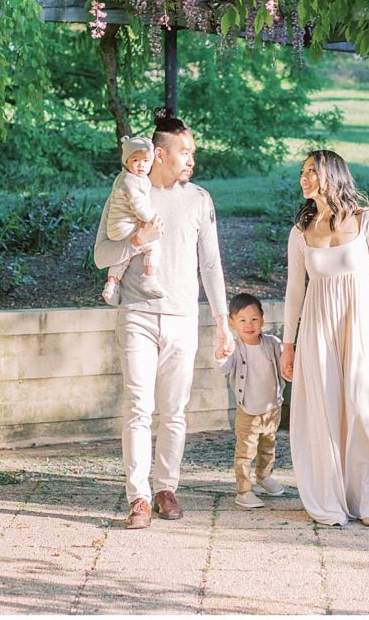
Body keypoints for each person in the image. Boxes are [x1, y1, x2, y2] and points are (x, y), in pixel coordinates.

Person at [94, 108, 234, 529]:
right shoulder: (126, 193)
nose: (192, 160)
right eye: (185, 153)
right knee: (139, 407)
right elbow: (101, 255)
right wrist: (135, 240)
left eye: (193, 153)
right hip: (137, 314)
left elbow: (211, 265)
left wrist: (223, 321)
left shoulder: (199, 200)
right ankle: (138, 497)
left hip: (182, 318)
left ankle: (165, 487)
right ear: (158, 154)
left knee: (174, 411)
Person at [280, 149, 369, 527]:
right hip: (317, 325)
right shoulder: (300, 231)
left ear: (333, 174)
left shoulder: (366, 220)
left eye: (312, 170)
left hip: (361, 322)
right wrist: (287, 344)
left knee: (362, 402)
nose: (304, 177)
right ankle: (331, 499)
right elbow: (294, 290)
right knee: (326, 407)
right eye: (302, 171)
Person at [214, 293, 287, 509]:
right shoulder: (234, 348)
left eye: (254, 319)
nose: (249, 325)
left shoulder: (273, 343)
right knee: (245, 451)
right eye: (243, 320)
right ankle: (244, 490)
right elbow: (222, 367)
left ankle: (264, 476)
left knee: (268, 446)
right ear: (232, 323)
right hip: (247, 410)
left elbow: (285, 366)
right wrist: (220, 354)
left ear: (263, 320)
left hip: (272, 408)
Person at [101, 134, 164, 306]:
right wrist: (152, 220)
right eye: (135, 160)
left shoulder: (128, 178)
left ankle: (111, 286)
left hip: (116, 227)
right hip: (123, 226)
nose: (141, 165)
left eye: (145, 160)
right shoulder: (130, 181)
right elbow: (139, 207)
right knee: (153, 247)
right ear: (126, 162)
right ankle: (149, 280)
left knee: (123, 257)